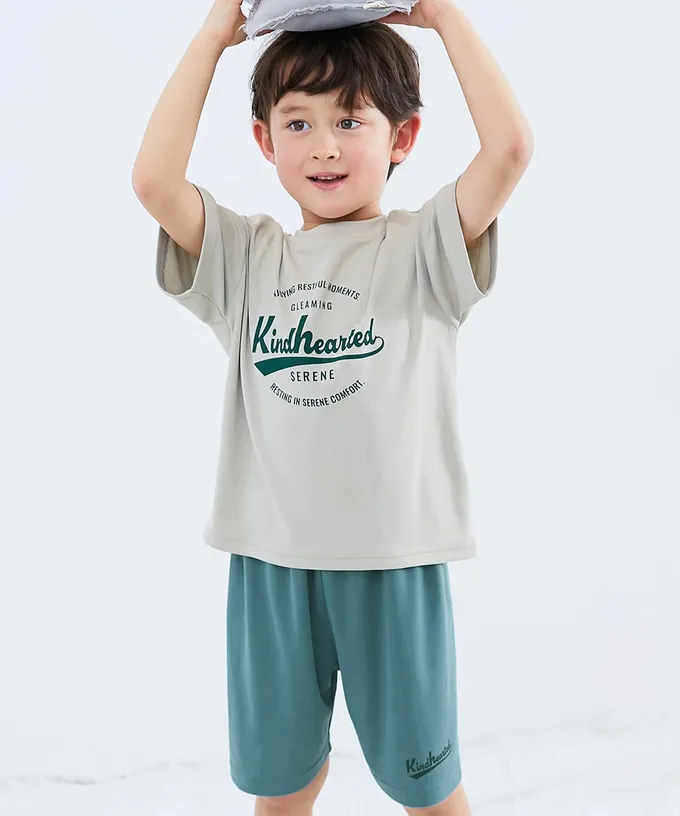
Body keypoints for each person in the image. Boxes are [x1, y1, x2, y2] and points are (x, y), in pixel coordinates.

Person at [132, 0, 532, 813]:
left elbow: (511, 149)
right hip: (271, 563)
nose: (324, 145)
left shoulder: (424, 248)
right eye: (298, 122)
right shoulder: (246, 259)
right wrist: (213, 35)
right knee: (282, 787)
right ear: (265, 140)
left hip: (393, 559)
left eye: (351, 120)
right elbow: (153, 182)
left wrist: (443, 17)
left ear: (402, 137)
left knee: (428, 788)